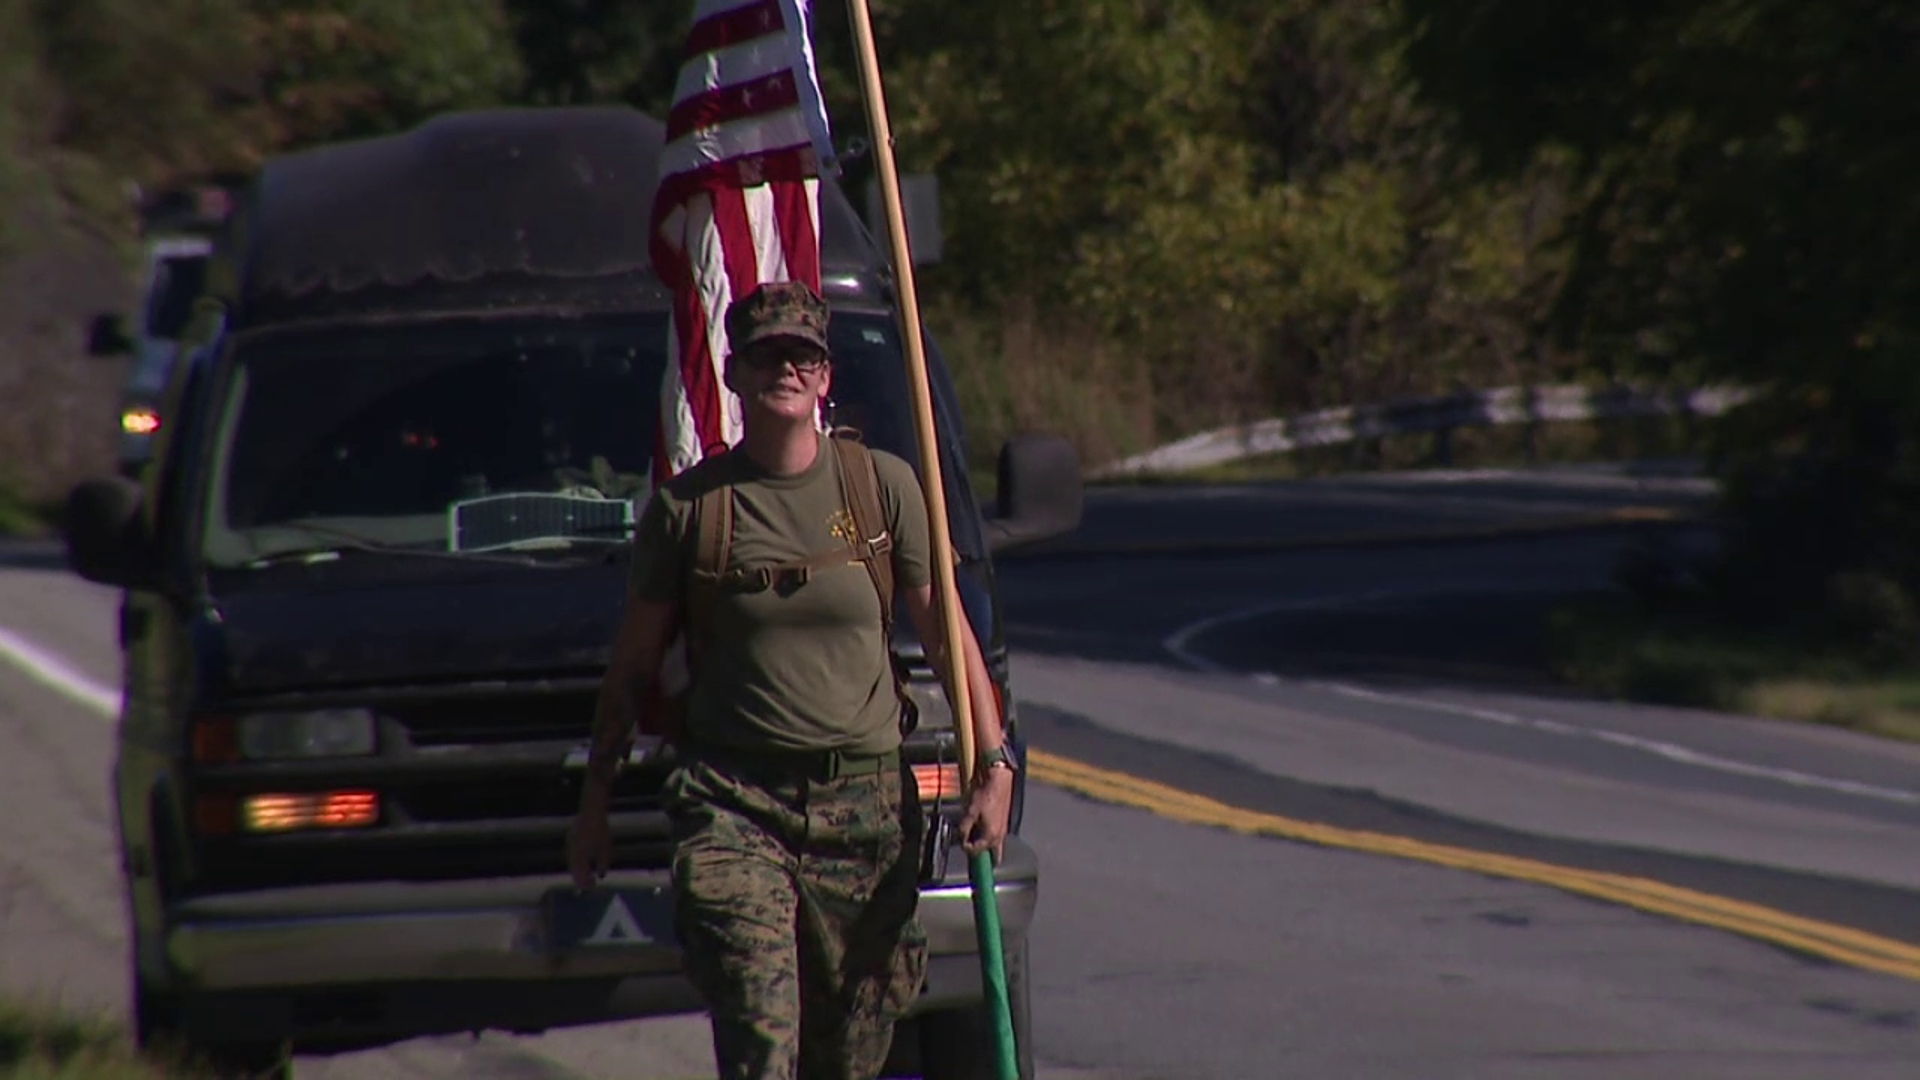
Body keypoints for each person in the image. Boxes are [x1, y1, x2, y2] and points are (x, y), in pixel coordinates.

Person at [567, 280, 1017, 1080]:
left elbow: (950, 640)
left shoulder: (882, 488)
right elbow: (632, 669)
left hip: (867, 814)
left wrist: (996, 765)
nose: (787, 369)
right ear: (736, 374)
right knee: (762, 1038)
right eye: (768, 355)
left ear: (824, 376)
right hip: (736, 806)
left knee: (850, 1052)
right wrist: (594, 805)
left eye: (802, 355)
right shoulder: (689, 511)